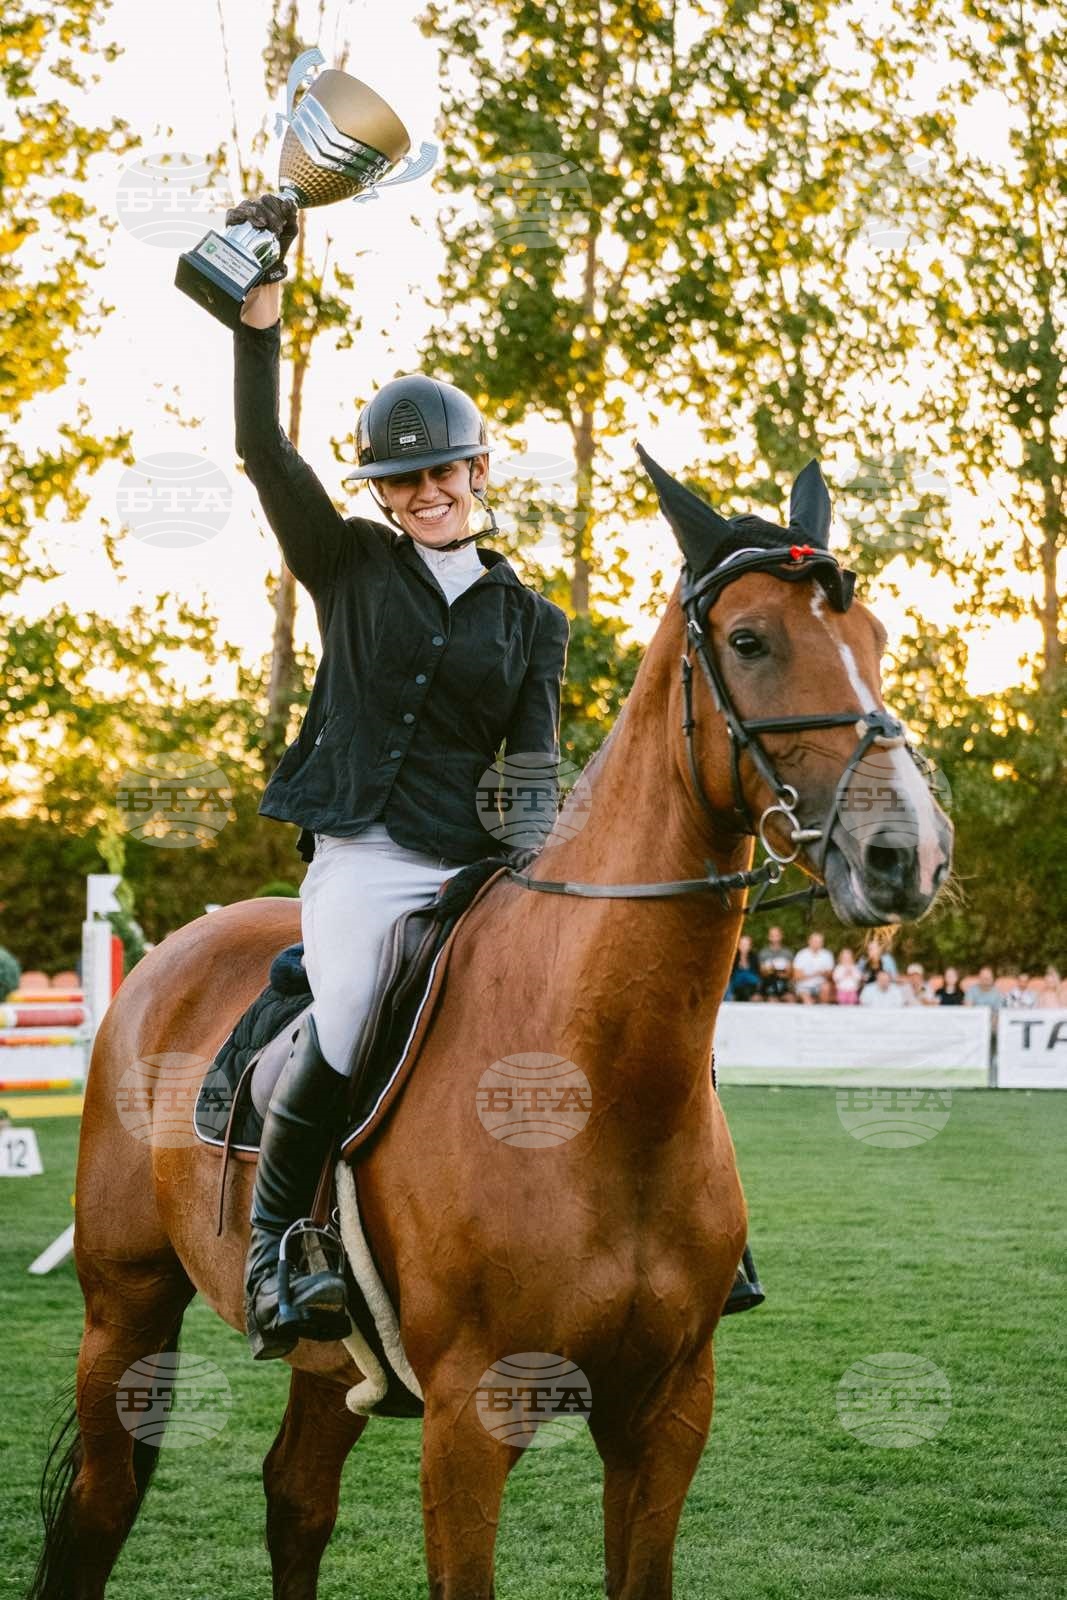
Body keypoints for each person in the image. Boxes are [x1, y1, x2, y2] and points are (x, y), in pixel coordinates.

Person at [228, 194, 571, 1360]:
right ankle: (278, 1243)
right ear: (381, 491)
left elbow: (534, 763)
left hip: (480, 869)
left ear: (478, 469)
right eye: (402, 480)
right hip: (366, 858)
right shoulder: (346, 564)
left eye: (441, 473)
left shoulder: (531, 619)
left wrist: (539, 867)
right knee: (349, 1009)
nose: (425, 492)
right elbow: (262, 452)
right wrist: (259, 316)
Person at [792, 931, 834, 1003]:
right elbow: (796, 976)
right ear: (809, 941)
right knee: (808, 1001)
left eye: (820, 942)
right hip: (803, 986)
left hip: (820, 985)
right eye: (815, 941)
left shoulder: (827, 955)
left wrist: (824, 973)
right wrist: (814, 974)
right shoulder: (801, 954)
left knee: (826, 987)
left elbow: (830, 975)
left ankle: (824, 1007)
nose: (817, 944)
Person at [758, 926, 795, 1001]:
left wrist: (773, 971)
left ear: (781, 936)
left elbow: (789, 974)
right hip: (768, 985)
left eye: (777, 935)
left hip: (784, 985)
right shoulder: (763, 953)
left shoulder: (788, 953)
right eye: (772, 936)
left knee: (791, 999)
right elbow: (762, 973)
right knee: (772, 1000)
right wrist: (773, 971)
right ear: (769, 937)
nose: (775, 938)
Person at [727, 934, 761, 1001]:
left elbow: (756, 974)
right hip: (736, 984)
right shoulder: (733, 957)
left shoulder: (754, 956)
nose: (743, 947)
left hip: (751, 985)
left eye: (746, 944)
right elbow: (731, 974)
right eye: (742, 944)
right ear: (738, 945)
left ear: (750, 946)